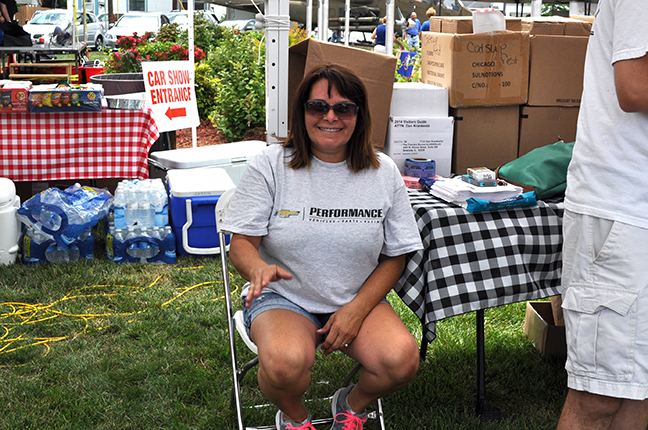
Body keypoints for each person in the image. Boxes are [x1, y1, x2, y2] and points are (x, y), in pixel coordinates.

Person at [222, 64, 423, 430]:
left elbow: (397, 254)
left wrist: (357, 309)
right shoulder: (271, 165)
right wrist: (257, 269)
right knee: (284, 365)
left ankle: (350, 405)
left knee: (402, 360)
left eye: (343, 108)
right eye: (318, 106)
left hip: (354, 295)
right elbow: (241, 245)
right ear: (301, 113)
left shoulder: (384, 171)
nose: (330, 116)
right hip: (284, 296)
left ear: (359, 116)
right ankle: (297, 418)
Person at [556, 1, 648, 429]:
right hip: (620, 210)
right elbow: (634, 88)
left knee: (636, 388)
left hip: (632, 209)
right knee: (599, 396)